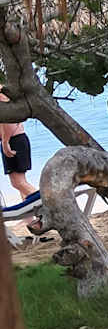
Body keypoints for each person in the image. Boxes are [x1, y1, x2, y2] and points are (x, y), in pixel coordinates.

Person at [1, 89, 42, 241]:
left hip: (13, 140)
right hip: (17, 139)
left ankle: (46, 207)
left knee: (18, 183)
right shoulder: (7, 91)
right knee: (20, 183)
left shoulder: (1, 94)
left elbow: (8, 120)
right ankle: (32, 224)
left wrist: (5, 142)